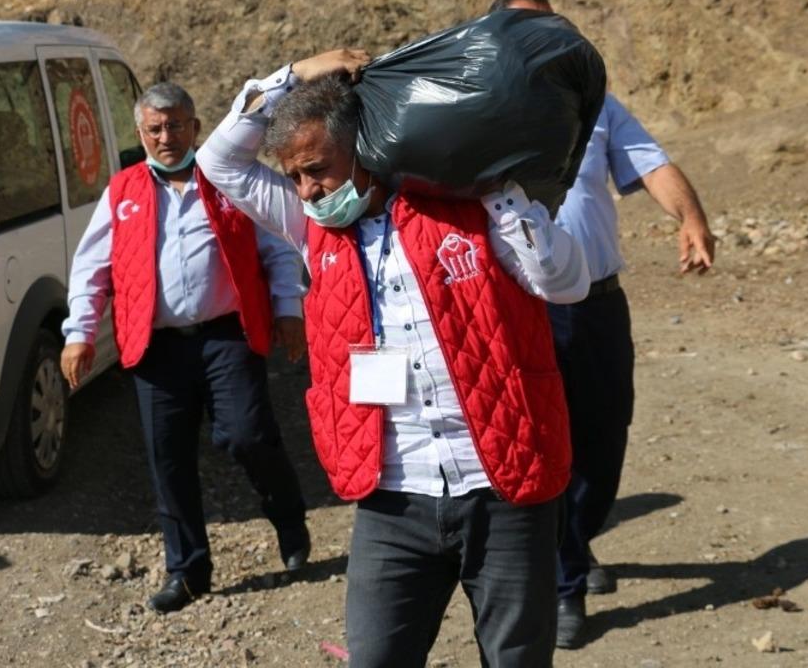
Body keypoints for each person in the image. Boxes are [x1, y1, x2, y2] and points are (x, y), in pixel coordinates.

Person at [197, 49, 591, 667]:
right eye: (295, 176)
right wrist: (296, 73)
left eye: (318, 169)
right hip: (393, 497)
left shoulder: (468, 208)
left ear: (366, 150)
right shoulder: (311, 230)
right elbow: (218, 159)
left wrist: (500, 192)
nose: (306, 189)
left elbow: (567, 283)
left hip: (504, 486)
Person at [492, 0, 717, 649]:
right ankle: (565, 586)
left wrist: (693, 220)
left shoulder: (598, 109)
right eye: (521, 31)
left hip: (599, 302)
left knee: (606, 434)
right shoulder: (482, 115)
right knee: (549, 445)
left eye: (548, 29)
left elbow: (654, 166)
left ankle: (578, 539)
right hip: (527, 308)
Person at [60, 82, 311, 614]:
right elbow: (91, 267)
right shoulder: (123, 190)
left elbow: (279, 246)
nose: (166, 136)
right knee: (167, 459)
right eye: (155, 128)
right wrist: (80, 333)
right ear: (140, 135)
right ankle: (188, 570)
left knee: (247, 435)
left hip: (227, 334)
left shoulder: (226, 180)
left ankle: (289, 519)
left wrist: (289, 308)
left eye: (176, 125)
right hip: (156, 347)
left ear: (196, 128)